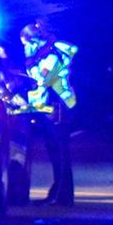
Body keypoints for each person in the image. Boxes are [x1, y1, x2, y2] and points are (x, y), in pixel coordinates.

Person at [20, 19, 78, 206]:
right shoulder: (44, 56)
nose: (26, 48)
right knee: (55, 153)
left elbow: (42, 80)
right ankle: (58, 192)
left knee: (60, 153)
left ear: (34, 41)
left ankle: (63, 196)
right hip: (51, 109)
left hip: (58, 109)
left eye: (27, 44)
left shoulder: (52, 57)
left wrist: (29, 61)